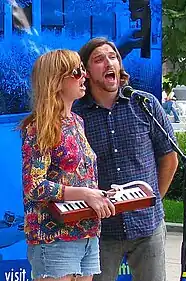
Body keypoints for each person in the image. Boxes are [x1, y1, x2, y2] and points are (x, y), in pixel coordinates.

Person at [73, 37, 179, 281]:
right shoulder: (76, 115)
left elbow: (169, 158)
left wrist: (151, 200)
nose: (109, 62)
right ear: (86, 72)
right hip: (100, 230)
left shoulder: (145, 104)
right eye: (99, 59)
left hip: (148, 227)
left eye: (113, 57)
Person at [20, 49, 116, 281]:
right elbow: (34, 186)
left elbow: (78, 176)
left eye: (83, 70)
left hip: (87, 232)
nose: (84, 75)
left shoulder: (77, 121)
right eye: (77, 72)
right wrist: (85, 194)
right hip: (54, 237)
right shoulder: (40, 126)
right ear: (56, 80)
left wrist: (100, 194)